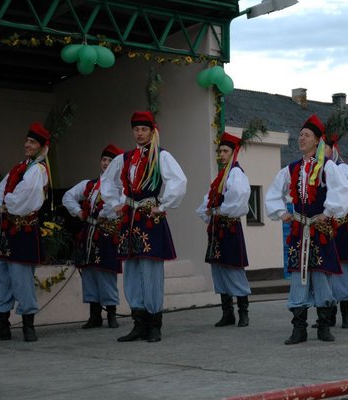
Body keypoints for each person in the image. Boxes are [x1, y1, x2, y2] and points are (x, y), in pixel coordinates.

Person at [265, 114, 348, 345]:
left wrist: (328, 212)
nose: (301, 138)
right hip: (298, 230)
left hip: (319, 229)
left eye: (306, 135)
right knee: (298, 277)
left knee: (321, 276)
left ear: (317, 140)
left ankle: (324, 326)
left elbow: (342, 191)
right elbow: (273, 193)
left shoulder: (327, 167)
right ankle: (299, 329)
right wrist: (281, 212)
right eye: (300, 135)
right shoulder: (291, 169)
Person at [101, 111, 187, 343]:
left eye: (143, 129)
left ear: (152, 131)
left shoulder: (161, 156)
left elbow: (178, 181)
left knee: (151, 271)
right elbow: (107, 181)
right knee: (130, 270)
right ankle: (138, 323)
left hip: (149, 216)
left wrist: (163, 204)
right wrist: (115, 203)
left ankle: (154, 324)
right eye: (136, 130)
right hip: (129, 219)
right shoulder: (125, 158)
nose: (139, 133)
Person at [0, 122, 50, 342]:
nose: (27, 145)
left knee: (21, 279)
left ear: (41, 147)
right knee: (0, 276)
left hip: (23, 229)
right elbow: (0, 189)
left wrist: (4, 205)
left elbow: (22, 200)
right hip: (7, 231)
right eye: (27, 140)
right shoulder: (20, 167)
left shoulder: (37, 170)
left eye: (32, 142)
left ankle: (28, 324)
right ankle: (1, 324)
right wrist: (0, 203)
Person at [62, 144, 124, 329]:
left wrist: (103, 213)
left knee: (106, 272)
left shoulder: (121, 187)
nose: (106, 164)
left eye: (110, 161)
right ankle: (94, 315)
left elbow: (116, 207)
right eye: (104, 160)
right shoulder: (89, 184)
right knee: (88, 272)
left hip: (108, 233)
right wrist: (79, 212)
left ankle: (112, 314)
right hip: (89, 234)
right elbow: (67, 197)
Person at [196, 132, 251, 328]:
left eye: (225, 151)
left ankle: (243, 312)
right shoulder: (221, 176)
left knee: (233, 268)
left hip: (229, 228)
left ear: (234, 153)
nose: (221, 154)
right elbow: (207, 202)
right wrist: (210, 212)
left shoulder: (236, 173)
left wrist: (218, 210)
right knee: (218, 269)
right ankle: (227, 313)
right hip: (217, 228)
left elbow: (239, 198)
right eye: (220, 151)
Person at [322, 126, 348, 329]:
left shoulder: (343, 169)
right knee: (326, 269)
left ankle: (347, 314)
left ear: (333, 148)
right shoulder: (315, 170)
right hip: (323, 226)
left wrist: (339, 211)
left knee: (342, 270)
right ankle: (328, 314)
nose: (322, 151)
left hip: (339, 225)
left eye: (325, 147)